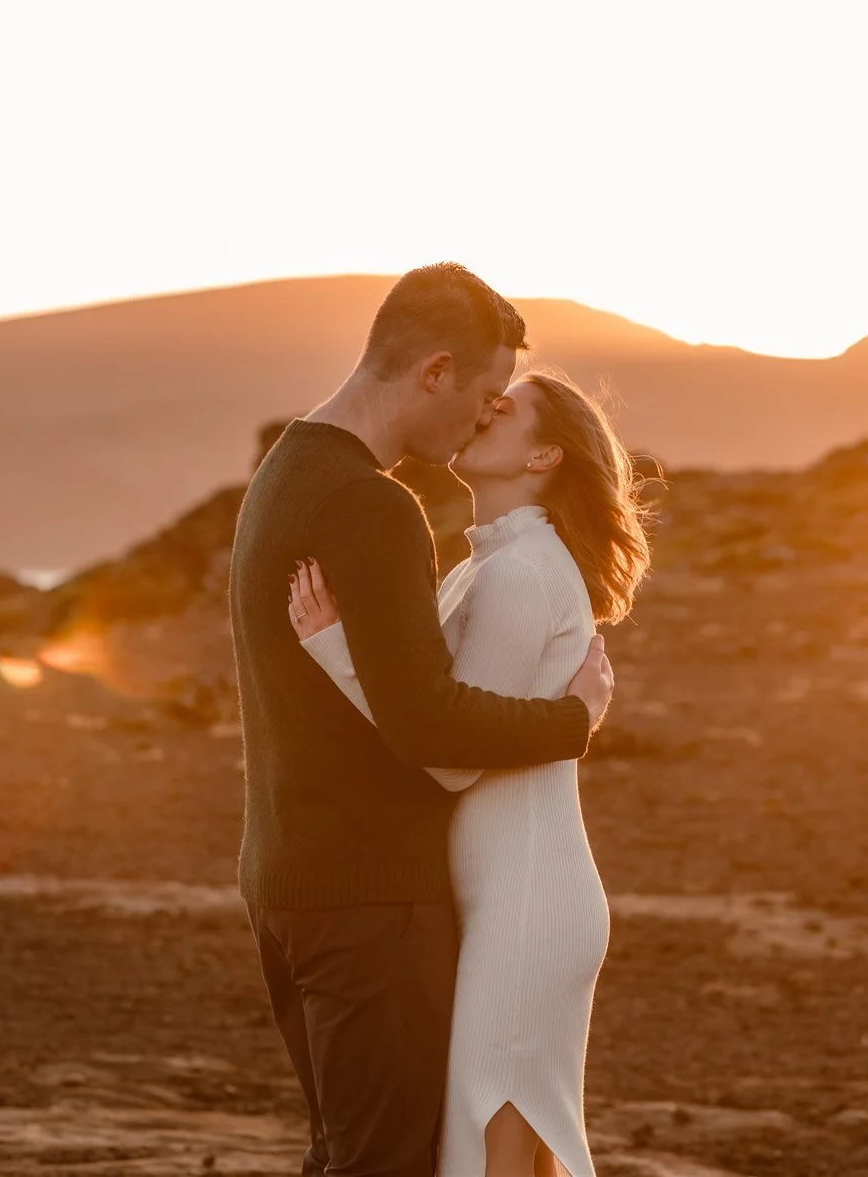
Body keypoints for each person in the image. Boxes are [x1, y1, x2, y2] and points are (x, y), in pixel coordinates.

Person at [227, 263, 617, 1177]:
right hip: (368, 898)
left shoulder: (284, 472)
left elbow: (406, 703)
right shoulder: (371, 503)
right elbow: (430, 725)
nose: (479, 419)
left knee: (359, 1156)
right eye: (483, 395)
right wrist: (573, 721)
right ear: (434, 372)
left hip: (290, 880)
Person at [289, 368, 655, 1177]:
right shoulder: (488, 565)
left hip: (527, 904)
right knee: (515, 1160)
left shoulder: (523, 573)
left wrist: (333, 650)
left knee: (488, 1154)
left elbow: (451, 758)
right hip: (513, 897)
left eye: (508, 406)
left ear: (545, 456)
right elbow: (438, 713)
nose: (487, 409)